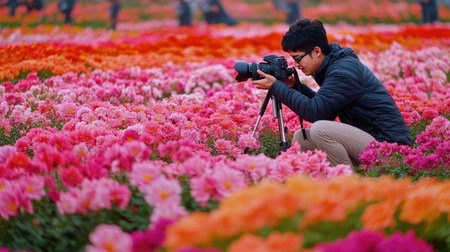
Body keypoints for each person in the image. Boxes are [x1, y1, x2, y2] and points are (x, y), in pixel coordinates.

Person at [252, 18, 411, 167]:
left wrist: (276, 87)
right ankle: (322, 182)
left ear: (316, 51)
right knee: (302, 137)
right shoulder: (333, 65)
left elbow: (317, 114)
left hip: (391, 148)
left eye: (298, 58)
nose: (296, 65)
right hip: (370, 139)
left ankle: (347, 182)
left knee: (320, 130)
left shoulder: (343, 71)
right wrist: (294, 86)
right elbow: (325, 110)